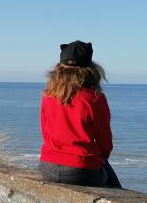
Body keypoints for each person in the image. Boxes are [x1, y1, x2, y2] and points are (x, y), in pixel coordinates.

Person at [39, 40, 122, 188]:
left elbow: (45, 133)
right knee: (115, 187)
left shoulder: (48, 96)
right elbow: (105, 143)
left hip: (48, 166)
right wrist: (99, 158)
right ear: (90, 69)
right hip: (81, 169)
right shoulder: (95, 98)